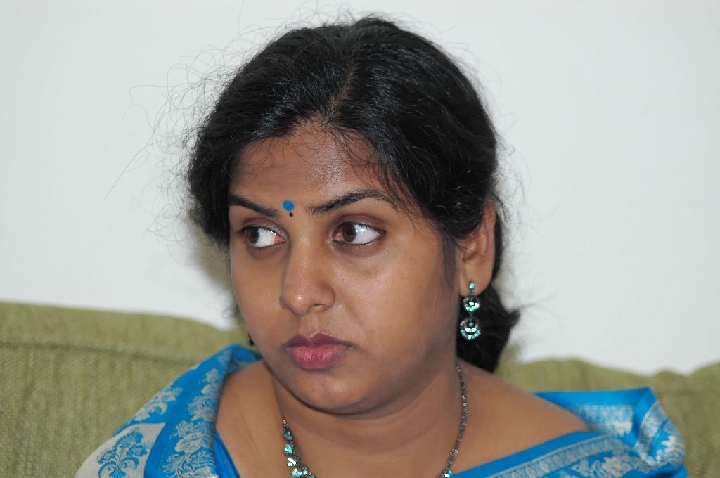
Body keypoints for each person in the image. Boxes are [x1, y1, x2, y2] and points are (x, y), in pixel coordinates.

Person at [77, 16, 686, 477]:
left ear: (471, 247)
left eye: (354, 232)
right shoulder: (163, 456)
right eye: (261, 235)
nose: (297, 292)